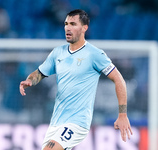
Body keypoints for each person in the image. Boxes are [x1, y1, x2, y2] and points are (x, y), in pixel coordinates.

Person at [19, 9, 133, 150]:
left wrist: (122, 114)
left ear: (84, 28)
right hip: (56, 122)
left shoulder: (94, 54)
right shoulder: (58, 53)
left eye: (73, 24)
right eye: (66, 23)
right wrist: (30, 80)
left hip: (77, 122)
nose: (68, 27)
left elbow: (119, 79)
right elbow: (40, 73)